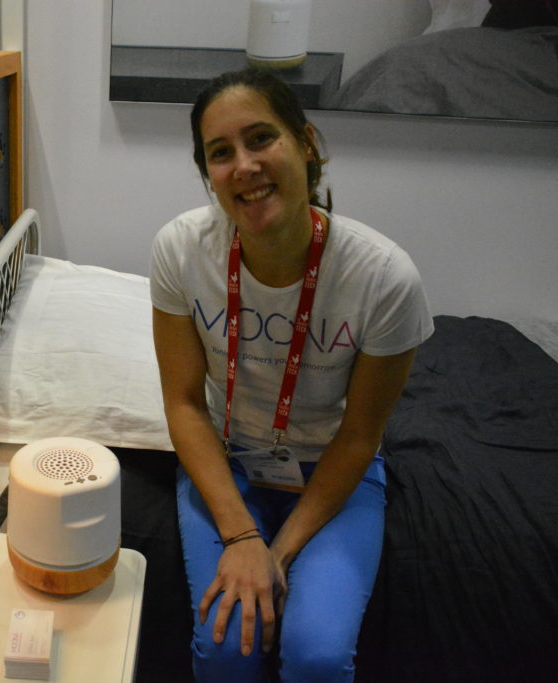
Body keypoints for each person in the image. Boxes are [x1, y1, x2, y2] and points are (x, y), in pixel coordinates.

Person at [150, 68, 434, 682]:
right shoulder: (180, 251)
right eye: (220, 153)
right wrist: (237, 533)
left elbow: (360, 436)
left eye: (261, 139)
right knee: (228, 645)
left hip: (333, 469)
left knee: (316, 656)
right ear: (208, 175)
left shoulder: (384, 278)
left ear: (306, 143)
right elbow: (182, 403)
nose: (244, 166)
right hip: (228, 464)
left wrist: (272, 554)